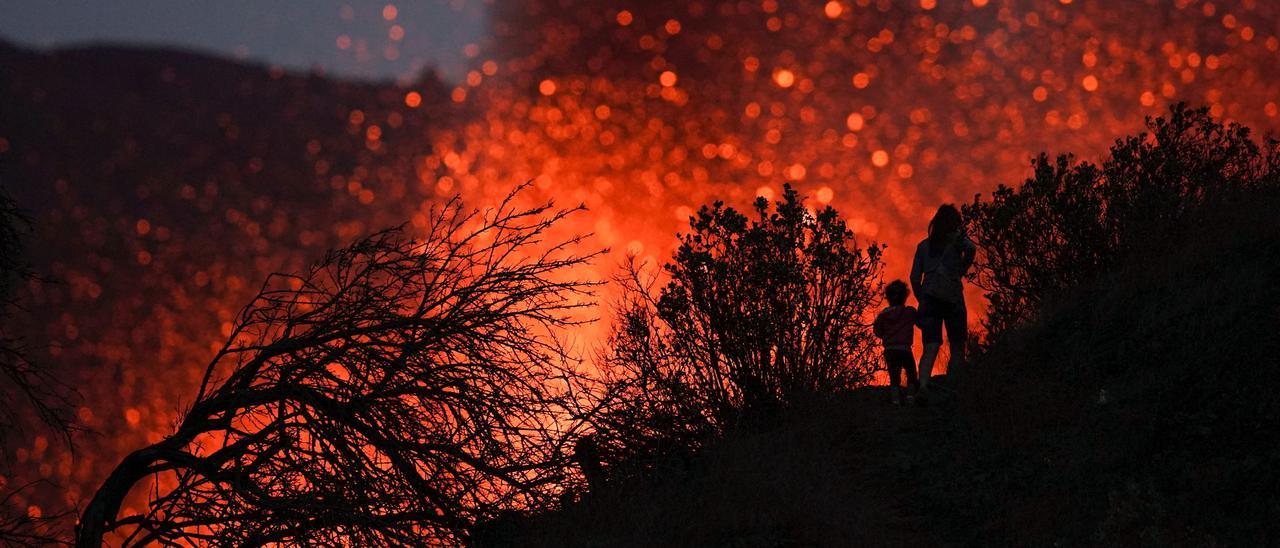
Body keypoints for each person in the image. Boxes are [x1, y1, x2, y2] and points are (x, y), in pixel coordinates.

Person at [910, 204, 976, 395]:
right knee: (957, 344)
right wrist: (961, 270)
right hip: (953, 295)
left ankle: (922, 386)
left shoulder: (923, 246)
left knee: (930, 345)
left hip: (929, 297)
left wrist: (922, 297)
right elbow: (971, 249)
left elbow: (914, 277)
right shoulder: (956, 242)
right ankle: (955, 385)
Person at [873, 280, 919, 406]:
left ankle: (895, 400)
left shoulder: (883, 314)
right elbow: (920, 322)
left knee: (894, 375)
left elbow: (877, 331)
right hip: (905, 349)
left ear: (887, 297)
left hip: (890, 350)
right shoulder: (910, 312)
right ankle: (910, 397)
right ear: (905, 296)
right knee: (911, 373)